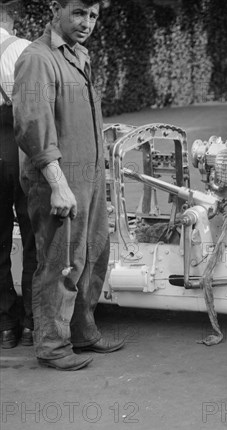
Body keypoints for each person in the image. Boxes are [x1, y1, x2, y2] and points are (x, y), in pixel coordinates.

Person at [13, 0, 124, 371]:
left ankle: (82, 331)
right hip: (58, 182)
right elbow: (32, 126)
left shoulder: (80, 55)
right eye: (78, 12)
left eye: (93, 15)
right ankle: (52, 345)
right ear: (56, 9)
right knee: (59, 263)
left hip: (89, 178)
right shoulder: (37, 58)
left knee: (93, 256)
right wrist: (58, 185)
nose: (86, 22)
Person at [0, 0, 35, 349]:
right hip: (19, 144)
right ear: (8, 19)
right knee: (31, 232)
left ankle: (4, 325)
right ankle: (32, 322)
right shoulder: (22, 48)